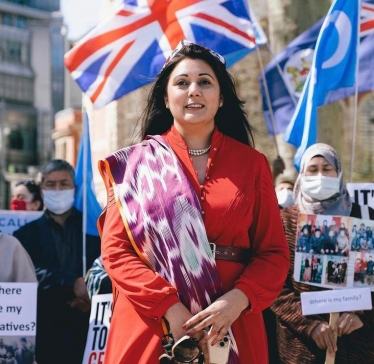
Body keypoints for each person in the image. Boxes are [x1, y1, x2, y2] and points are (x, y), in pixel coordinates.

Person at [98, 40, 289, 364]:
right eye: (182, 82)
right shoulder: (135, 165)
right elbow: (115, 252)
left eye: (205, 81)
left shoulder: (252, 164)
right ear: (165, 96)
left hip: (232, 324)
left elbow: (273, 254)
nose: (193, 91)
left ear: (222, 96)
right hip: (153, 322)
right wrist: (170, 308)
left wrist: (237, 300)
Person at [271, 143, 374, 363]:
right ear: (302, 175)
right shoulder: (284, 221)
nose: (320, 175)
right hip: (301, 348)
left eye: (327, 169)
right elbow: (273, 284)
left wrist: (362, 314)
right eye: (313, 169)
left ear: (339, 173)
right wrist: (310, 325)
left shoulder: (364, 218)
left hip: (355, 347)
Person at [13, 159, 101, 364]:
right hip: (45, 328)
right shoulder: (24, 235)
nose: (58, 189)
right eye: (51, 185)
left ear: (74, 188)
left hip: (87, 326)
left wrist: (88, 292)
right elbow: (30, 272)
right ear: (42, 191)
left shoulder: (93, 229)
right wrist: (72, 284)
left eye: (64, 184)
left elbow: (106, 265)